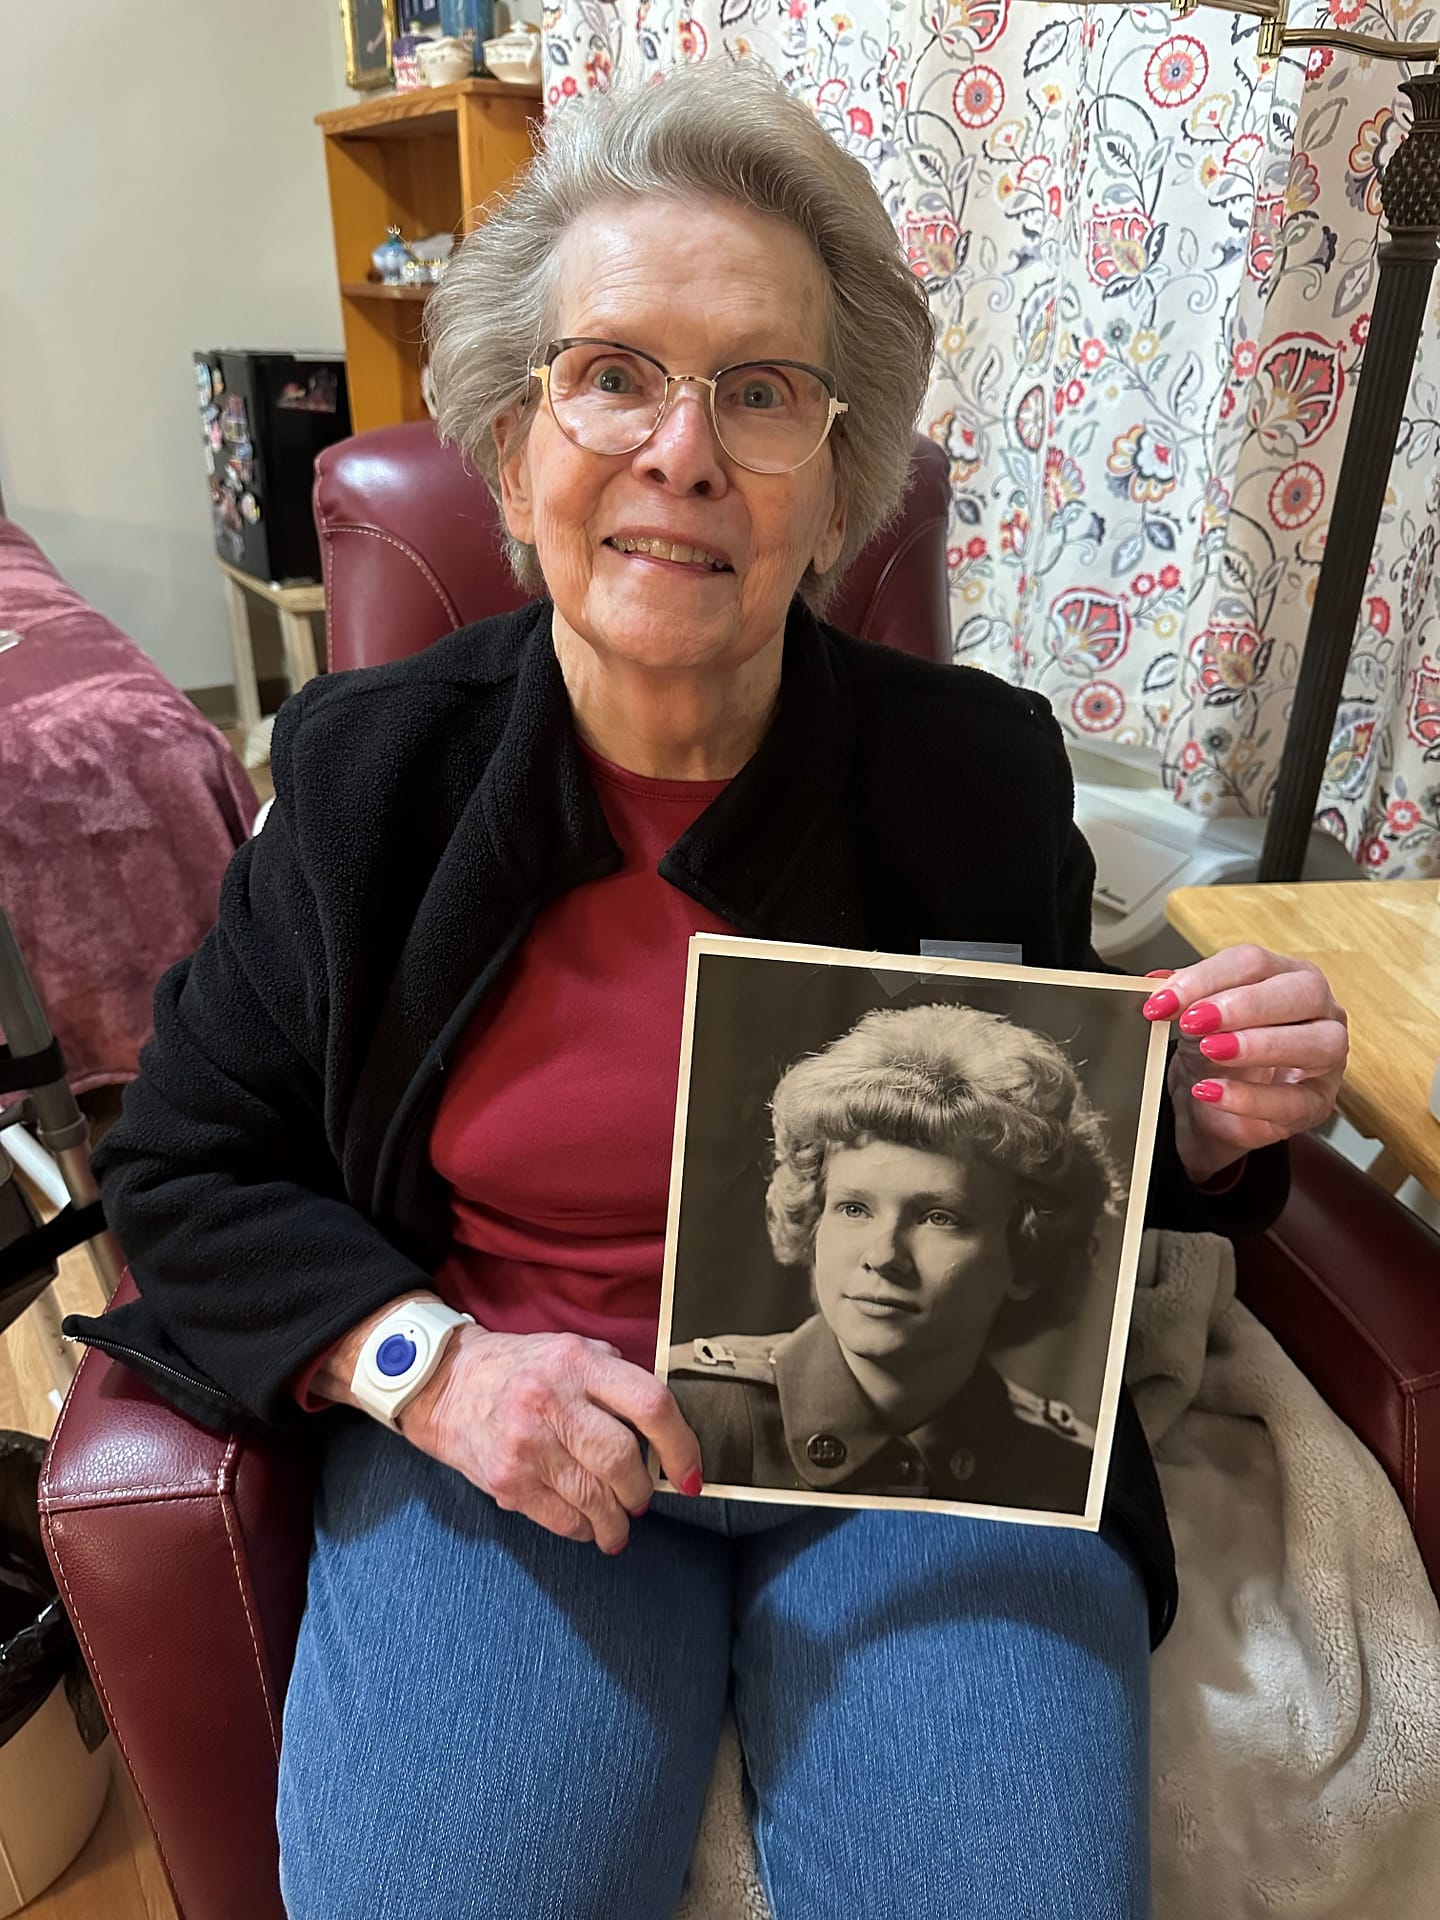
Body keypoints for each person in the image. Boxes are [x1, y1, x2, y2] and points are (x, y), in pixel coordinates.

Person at [67, 62, 1349, 1920]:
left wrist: (1212, 1127)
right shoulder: (368, 777)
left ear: (839, 486)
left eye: (761, 393)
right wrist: (439, 1376)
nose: (683, 451)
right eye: (614, 375)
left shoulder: (969, 773)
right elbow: (184, 1170)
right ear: (513, 451)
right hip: (521, 1428)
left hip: (923, 1445)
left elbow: (1065, 1158)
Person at [668, 1001, 1118, 1512]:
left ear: (1026, 1257)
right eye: (854, 1208)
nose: (883, 1257)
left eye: (939, 1217)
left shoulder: (1075, 1473)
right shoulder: (687, 1411)